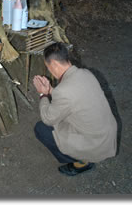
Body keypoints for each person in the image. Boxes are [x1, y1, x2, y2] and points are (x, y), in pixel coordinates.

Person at [33, 42, 117, 176]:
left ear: (54, 64)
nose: (49, 70)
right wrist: (50, 90)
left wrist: (43, 94)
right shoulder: (85, 73)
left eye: (48, 66)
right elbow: (70, 97)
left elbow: (48, 119)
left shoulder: (64, 91)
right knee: (59, 120)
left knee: (41, 129)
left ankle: (82, 161)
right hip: (105, 135)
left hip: (95, 143)